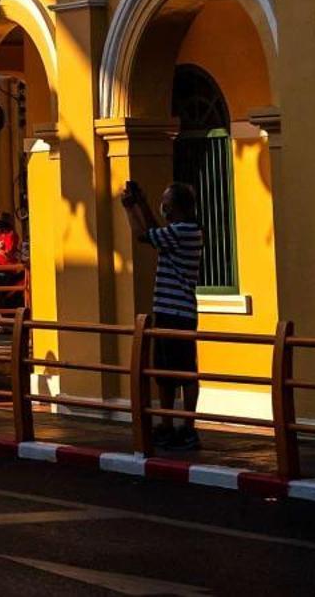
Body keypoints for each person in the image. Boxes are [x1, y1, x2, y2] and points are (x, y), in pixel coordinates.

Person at [121, 178, 203, 450]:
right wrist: (143, 203)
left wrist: (130, 209)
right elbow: (157, 230)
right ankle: (168, 424)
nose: (163, 208)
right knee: (165, 372)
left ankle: (187, 428)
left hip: (177, 311)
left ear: (176, 207)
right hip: (169, 310)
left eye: (166, 204)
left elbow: (145, 235)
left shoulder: (184, 231)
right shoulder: (181, 230)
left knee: (185, 371)